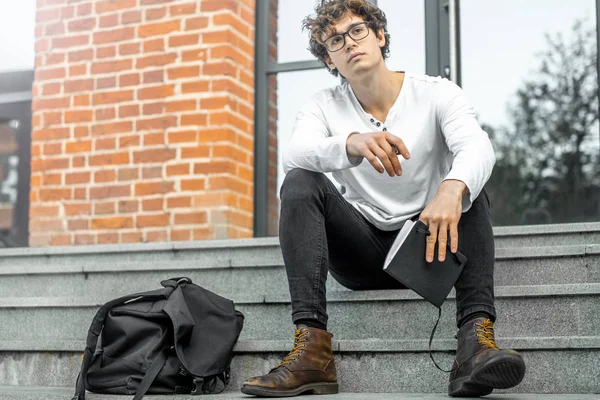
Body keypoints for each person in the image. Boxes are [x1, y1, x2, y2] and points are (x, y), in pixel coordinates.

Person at [241, 0, 526, 397]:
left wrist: (451, 187)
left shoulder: (435, 93)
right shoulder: (322, 106)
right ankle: (313, 353)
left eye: (357, 30)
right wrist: (350, 143)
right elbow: (293, 154)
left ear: (379, 35)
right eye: (334, 41)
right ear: (329, 60)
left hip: (430, 247)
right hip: (362, 253)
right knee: (300, 181)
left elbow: (478, 146)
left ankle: (475, 344)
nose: (349, 43)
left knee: (468, 188)